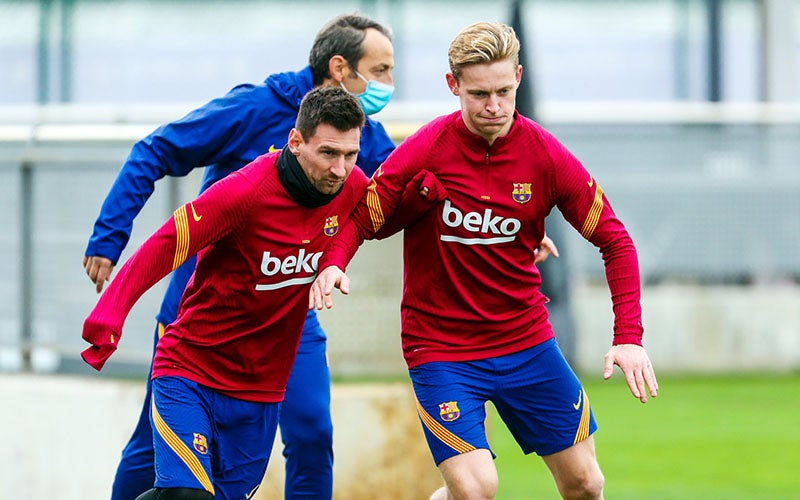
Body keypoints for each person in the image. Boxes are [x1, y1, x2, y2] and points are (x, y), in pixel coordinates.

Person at [309, 22, 658, 500]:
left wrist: (629, 338)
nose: (493, 106)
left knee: (585, 483)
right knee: (475, 490)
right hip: (441, 348)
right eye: (478, 94)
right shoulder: (427, 148)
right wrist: (334, 261)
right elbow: (365, 216)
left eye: (503, 91)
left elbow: (615, 240)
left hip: (526, 341)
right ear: (453, 86)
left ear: (518, 77)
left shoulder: (547, 156)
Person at [82, 13, 396, 500]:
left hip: (288, 309)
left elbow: (399, 196)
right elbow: (156, 150)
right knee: (155, 452)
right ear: (340, 68)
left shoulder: (359, 138)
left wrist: (517, 235)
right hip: (205, 307)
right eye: (379, 72)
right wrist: (109, 235)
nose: (388, 85)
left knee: (313, 434)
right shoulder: (254, 109)